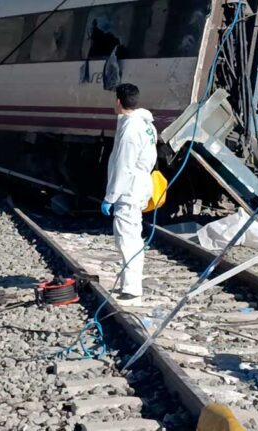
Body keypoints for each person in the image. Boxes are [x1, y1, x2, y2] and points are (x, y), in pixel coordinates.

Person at [101, 83, 157, 303]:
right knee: (132, 235)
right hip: (140, 183)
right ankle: (130, 283)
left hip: (130, 188)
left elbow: (123, 165)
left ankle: (132, 288)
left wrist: (110, 197)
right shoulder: (145, 124)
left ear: (118, 101)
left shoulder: (130, 130)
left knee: (127, 238)